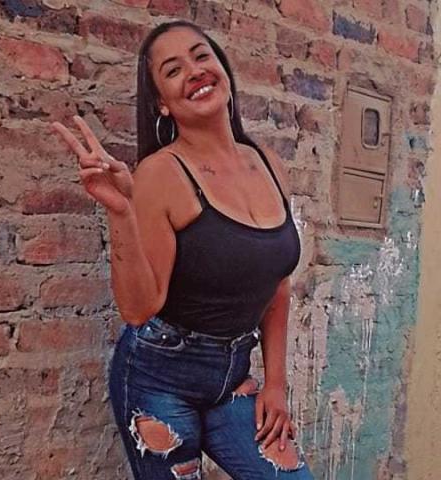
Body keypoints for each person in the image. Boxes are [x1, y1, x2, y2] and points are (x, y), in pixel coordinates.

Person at [52, 19, 313, 480]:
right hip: (160, 378)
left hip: (232, 376)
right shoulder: (161, 174)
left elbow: (276, 284)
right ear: (162, 103)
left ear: (223, 70)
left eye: (201, 56)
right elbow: (139, 308)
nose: (194, 72)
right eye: (173, 70)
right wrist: (121, 212)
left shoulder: (268, 163)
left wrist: (275, 383)